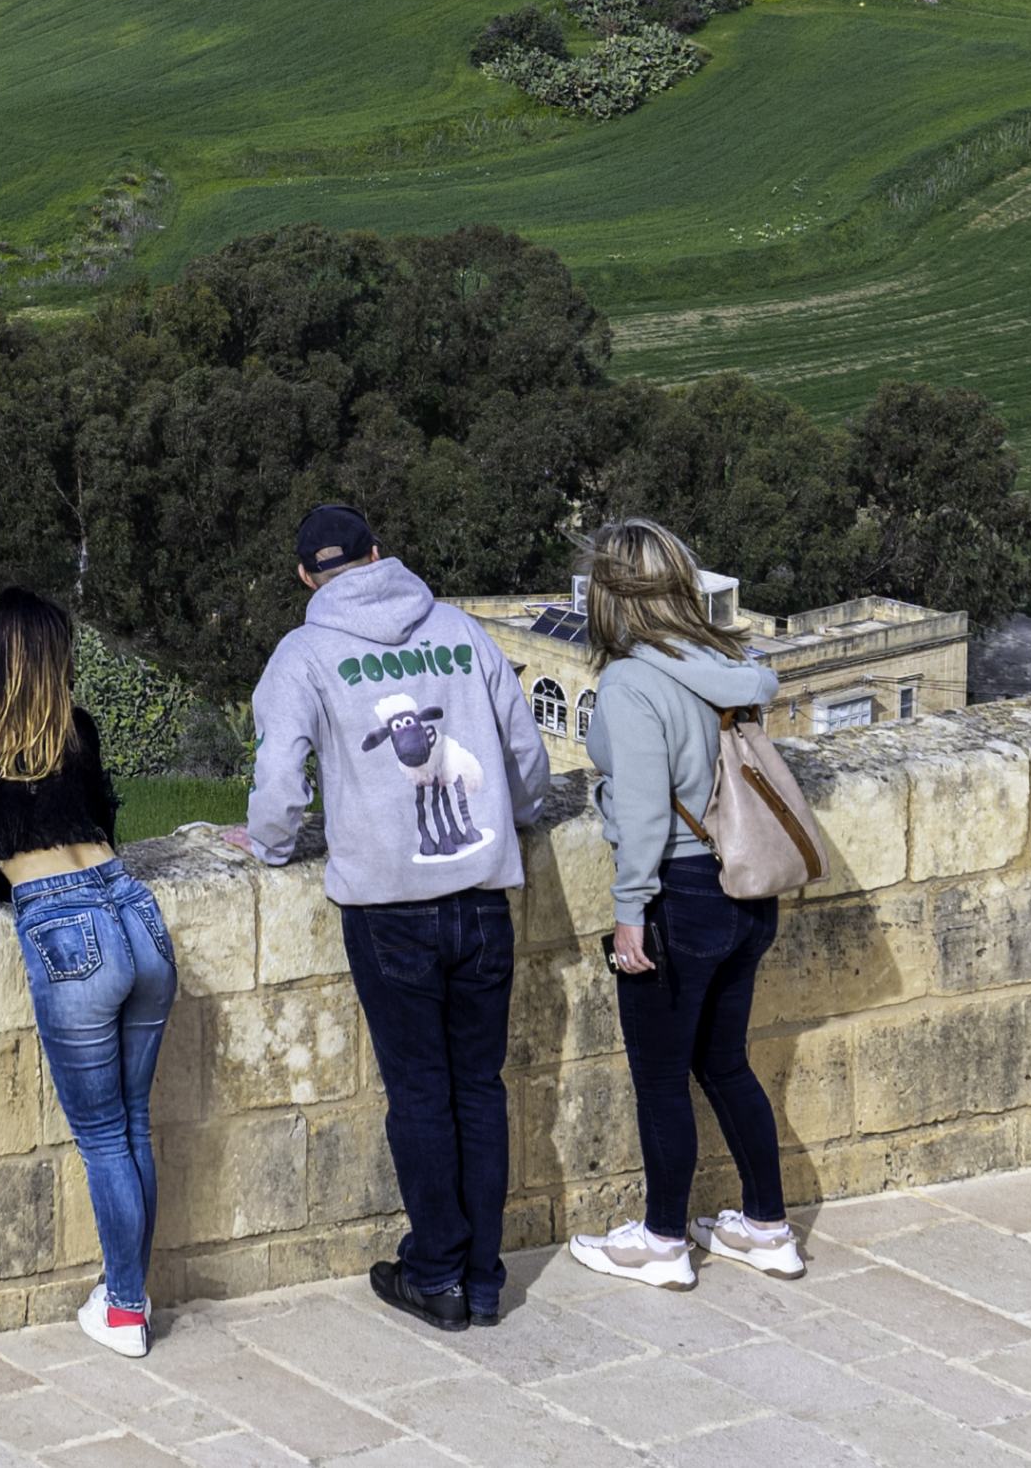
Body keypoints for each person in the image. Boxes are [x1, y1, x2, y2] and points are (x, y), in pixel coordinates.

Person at [212, 502, 551, 1333]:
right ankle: (480, 1278)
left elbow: (281, 780)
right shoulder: (461, 630)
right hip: (480, 896)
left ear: (305, 577)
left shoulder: (304, 654)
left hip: (388, 909)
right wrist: (527, 814)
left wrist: (268, 846)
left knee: (420, 1095)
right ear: (377, 554)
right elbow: (523, 754)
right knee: (479, 1087)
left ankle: (434, 1272)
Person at [562, 515, 807, 1290]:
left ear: (608, 594)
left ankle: (663, 1241)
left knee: (661, 1078)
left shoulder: (632, 683)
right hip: (744, 890)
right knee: (725, 1064)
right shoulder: (726, 660)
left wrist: (630, 910)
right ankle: (766, 1227)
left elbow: (640, 810)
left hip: (678, 891)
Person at [0, 588, 175, 1358]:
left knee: (103, 1139)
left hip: (63, 924)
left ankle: (127, 1310)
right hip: (132, 908)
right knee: (133, 1127)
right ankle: (124, 1291)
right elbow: (102, 822)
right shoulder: (75, 729)